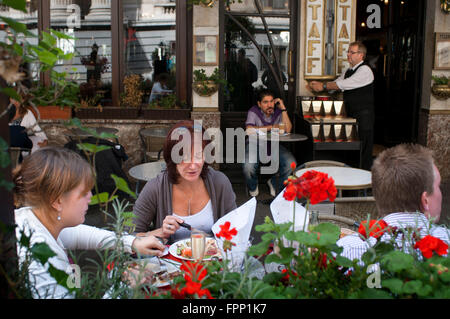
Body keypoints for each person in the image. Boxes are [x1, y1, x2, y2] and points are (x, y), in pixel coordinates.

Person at [13, 147, 165, 299]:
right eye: (84, 192)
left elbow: (76, 234)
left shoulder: (33, 218)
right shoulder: (42, 263)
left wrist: (132, 242)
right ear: (57, 201)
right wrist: (124, 287)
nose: (91, 197)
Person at [337, 144, 449, 262]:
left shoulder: (344, 249)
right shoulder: (446, 242)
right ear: (425, 200)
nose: (440, 193)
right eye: (438, 186)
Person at [132, 120, 237, 243]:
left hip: (212, 260)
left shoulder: (219, 183)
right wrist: (160, 232)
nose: (193, 166)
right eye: (184, 157)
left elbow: (236, 230)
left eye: (198, 155)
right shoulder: (156, 188)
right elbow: (127, 237)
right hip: (168, 262)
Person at [308, 41, 375, 170]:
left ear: (361, 55)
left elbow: (344, 84)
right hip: (351, 115)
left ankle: (364, 184)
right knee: (352, 149)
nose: (348, 55)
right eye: (348, 52)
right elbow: (336, 84)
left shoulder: (365, 70)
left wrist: (323, 86)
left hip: (364, 117)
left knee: (363, 151)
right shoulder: (348, 70)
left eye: (352, 52)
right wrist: (316, 85)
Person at [243, 89, 296, 198]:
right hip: (255, 144)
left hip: (274, 145)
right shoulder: (253, 111)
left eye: (271, 101)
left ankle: (274, 183)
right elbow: (249, 130)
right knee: (248, 167)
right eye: (265, 102)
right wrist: (271, 127)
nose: (269, 105)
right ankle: (253, 187)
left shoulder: (278, 112)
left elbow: (288, 129)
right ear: (259, 104)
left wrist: (283, 109)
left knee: (291, 164)